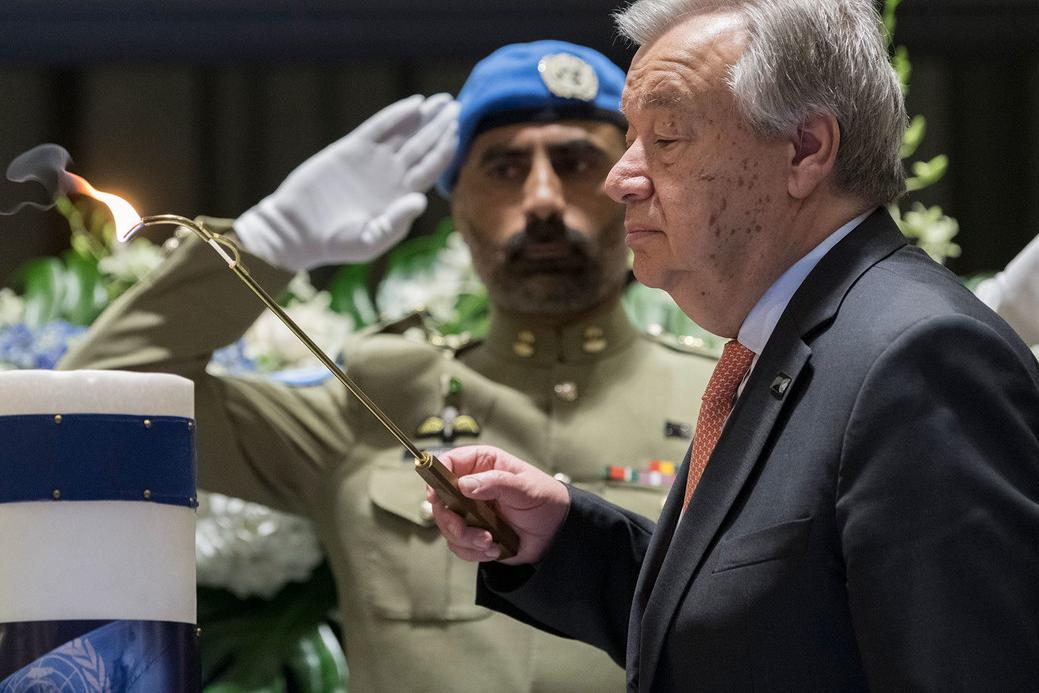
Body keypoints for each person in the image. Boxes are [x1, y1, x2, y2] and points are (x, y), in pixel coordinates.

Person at [60, 41, 718, 692]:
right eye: (504, 167)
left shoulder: (724, 397)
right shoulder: (372, 402)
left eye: (577, 163)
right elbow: (94, 403)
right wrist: (270, 241)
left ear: (633, 186)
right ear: (458, 207)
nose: (543, 197)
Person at [430, 2, 1039, 690]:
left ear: (804, 149)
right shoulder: (796, 335)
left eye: (665, 137)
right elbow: (775, 634)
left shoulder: (919, 358)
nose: (619, 178)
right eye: (630, 138)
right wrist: (568, 538)